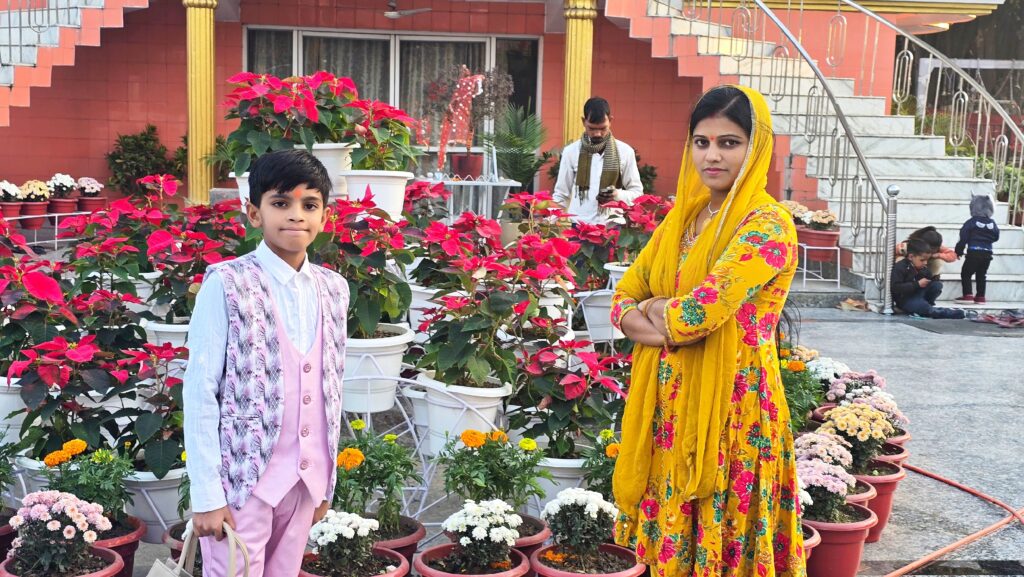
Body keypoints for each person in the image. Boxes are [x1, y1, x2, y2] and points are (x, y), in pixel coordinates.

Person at [610, 86, 806, 575]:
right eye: (702, 142)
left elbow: (696, 316)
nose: (712, 156)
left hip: (733, 409)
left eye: (729, 142)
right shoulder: (684, 217)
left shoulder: (767, 225)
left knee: (724, 533)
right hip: (667, 406)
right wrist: (659, 316)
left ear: (756, 148)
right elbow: (621, 299)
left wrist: (651, 308)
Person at [183, 149, 350, 576]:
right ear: (254, 213)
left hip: (305, 483)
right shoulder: (227, 283)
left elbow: (332, 384)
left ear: (325, 216)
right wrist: (207, 495)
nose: (296, 215)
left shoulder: (334, 289)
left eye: (309, 204)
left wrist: (325, 483)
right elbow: (200, 391)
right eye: (280, 202)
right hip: (243, 485)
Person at [553, 96, 644, 225]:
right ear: (583, 121)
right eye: (592, 128)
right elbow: (561, 194)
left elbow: (637, 193)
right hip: (580, 226)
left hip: (612, 225)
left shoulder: (625, 151)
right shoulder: (570, 152)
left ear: (610, 121)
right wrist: (547, 222)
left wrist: (616, 195)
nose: (597, 134)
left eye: (602, 128)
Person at [890, 238, 964, 319]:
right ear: (911, 257)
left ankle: (927, 306)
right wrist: (917, 284)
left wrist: (933, 279)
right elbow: (896, 287)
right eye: (922, 260)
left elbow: (929, 281)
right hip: (905, 299)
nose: (925, 263)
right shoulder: (901, 267)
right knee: (922, 306)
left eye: (927, 260)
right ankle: (937, 311)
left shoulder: (923, 268)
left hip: (918, 295)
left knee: (937, 285)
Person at [954, 195, 1000, 304]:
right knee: (981, 275)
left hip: (974, 253)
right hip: (987, 254)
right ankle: (980, 297)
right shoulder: (992, 223)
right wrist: (987, 241)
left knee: (966, 273)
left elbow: (963, 237)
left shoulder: (971, 222)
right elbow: (996, 237)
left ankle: (968, 295)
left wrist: (959, 250)